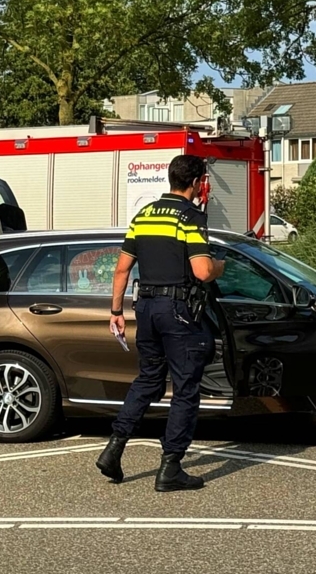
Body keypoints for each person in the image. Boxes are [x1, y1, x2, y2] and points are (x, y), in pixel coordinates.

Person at [95, 155, 225, 492]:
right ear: (196, 182)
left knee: (149, 379)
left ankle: (115, 447)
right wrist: (219, 267)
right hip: (179, 311)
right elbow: (202, 271)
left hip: (146, 310)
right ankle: (171, 467)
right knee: (185, 389)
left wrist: (115, 312)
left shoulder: (144, 215)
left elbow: (122, 269)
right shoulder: (190, 217)